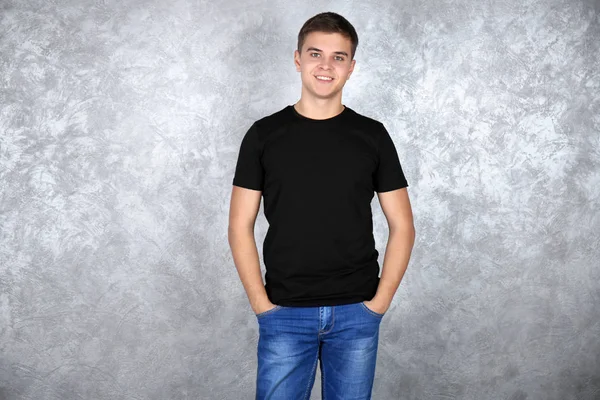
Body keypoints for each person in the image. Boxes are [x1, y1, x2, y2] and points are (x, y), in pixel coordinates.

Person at [228, 11, 415, 400]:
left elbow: (403, 226)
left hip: (356, 312)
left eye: (338, 57)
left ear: (351, 68)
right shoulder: (264, 135)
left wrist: (377, 305)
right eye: (315, 54)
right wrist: (262, 305)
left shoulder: (372, 136)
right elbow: (239, 226)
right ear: (298, 59)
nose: (326, 66)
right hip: (284, 311)